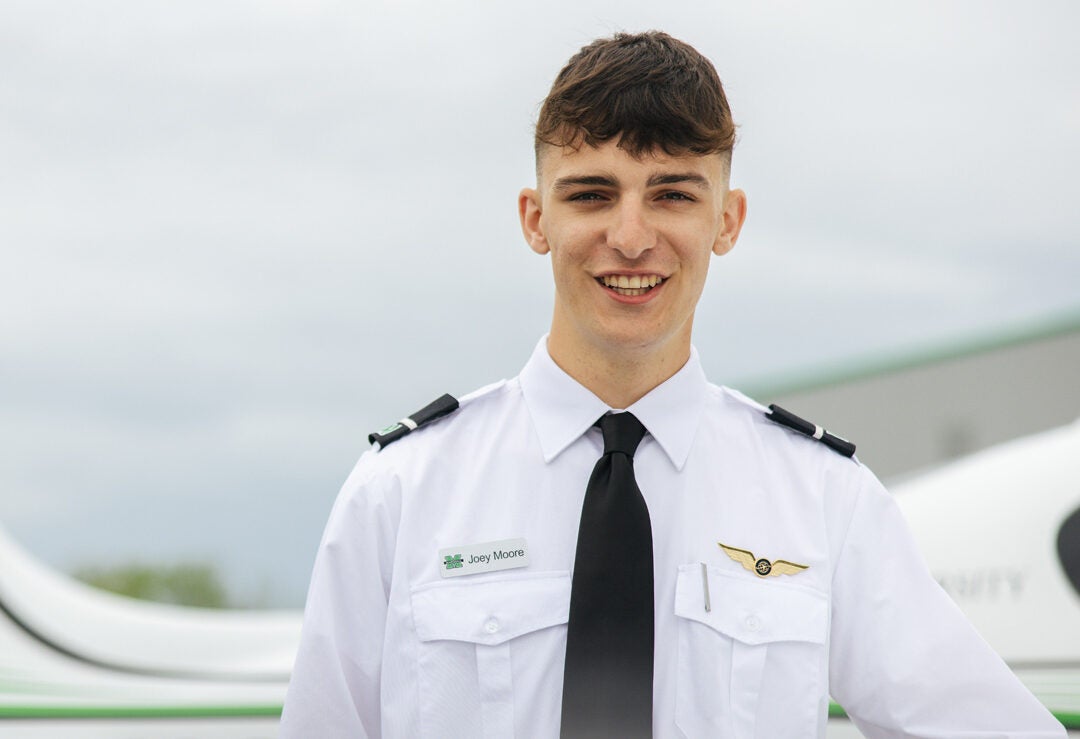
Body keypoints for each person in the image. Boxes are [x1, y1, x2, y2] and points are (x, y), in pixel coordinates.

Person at [280, 31, 1065, 738]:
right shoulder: (401, 492)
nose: (629, 236)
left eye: (673, 194)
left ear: (727, 220)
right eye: (591, 193)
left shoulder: (826, 501)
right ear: (534, 218)